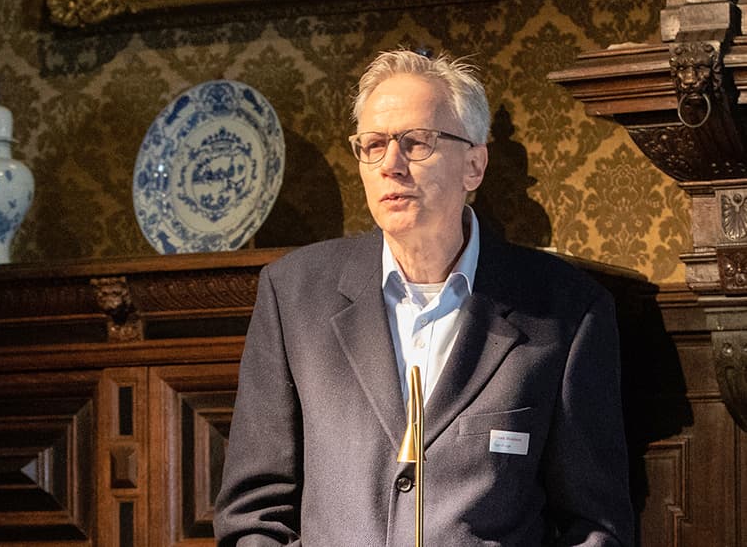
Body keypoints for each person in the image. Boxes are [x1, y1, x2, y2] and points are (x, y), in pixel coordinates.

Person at [213, 49, 634, 546]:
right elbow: (253, 513)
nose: (391, 165)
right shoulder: (294, 294)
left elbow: (596, 526)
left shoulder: (566, 310)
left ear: (474, 165)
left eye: (416, 143)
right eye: (372, 144)